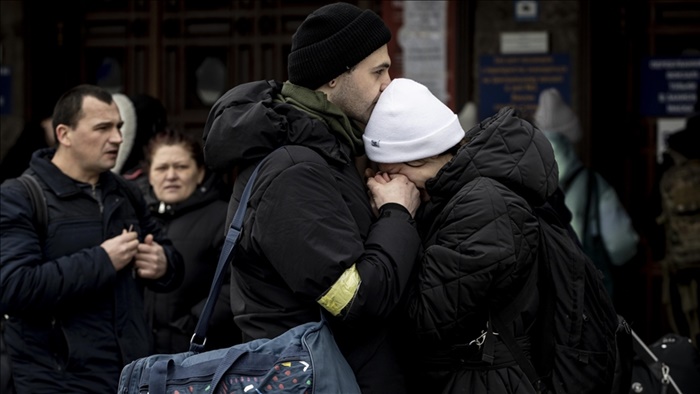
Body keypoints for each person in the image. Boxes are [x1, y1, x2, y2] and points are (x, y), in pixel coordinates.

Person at [201, 2, 422, 391]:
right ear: (335, 78)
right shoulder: (294, 172)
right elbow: (355, 301)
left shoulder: (327, 153)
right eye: (379, 71)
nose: (389, 83)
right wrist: (395, 212)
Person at [363, 78, 559, 393]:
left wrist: (396, 216)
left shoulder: (482, 206)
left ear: (417, 157)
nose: (382, 182)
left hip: (488, 381)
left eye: (389, 172)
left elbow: (424, 322)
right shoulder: (454, 198)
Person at [0, 84, 183, 393]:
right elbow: (14, 287)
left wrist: (163, 264)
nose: (117, 138)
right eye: (103, 128)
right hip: (56, 380)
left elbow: (171, 259)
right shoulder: (20, 196)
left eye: (119, 127)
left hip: (130, 376)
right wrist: (102, 260)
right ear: (64, 134)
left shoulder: (126, 192)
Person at [140, 128, 239, 353]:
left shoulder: (224, 217)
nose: (171, 175)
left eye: (181, 167)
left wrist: (195, 324)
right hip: (142, 355)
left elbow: (237, 283)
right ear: (149, 175)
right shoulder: (138, 219)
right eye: (162, 168)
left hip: (201, 353)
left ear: (200, 173)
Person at [533, 88, 639, 297]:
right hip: (585, 294)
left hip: (539, 295)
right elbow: (621, 246)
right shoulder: (594, 185)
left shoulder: (524, 182)